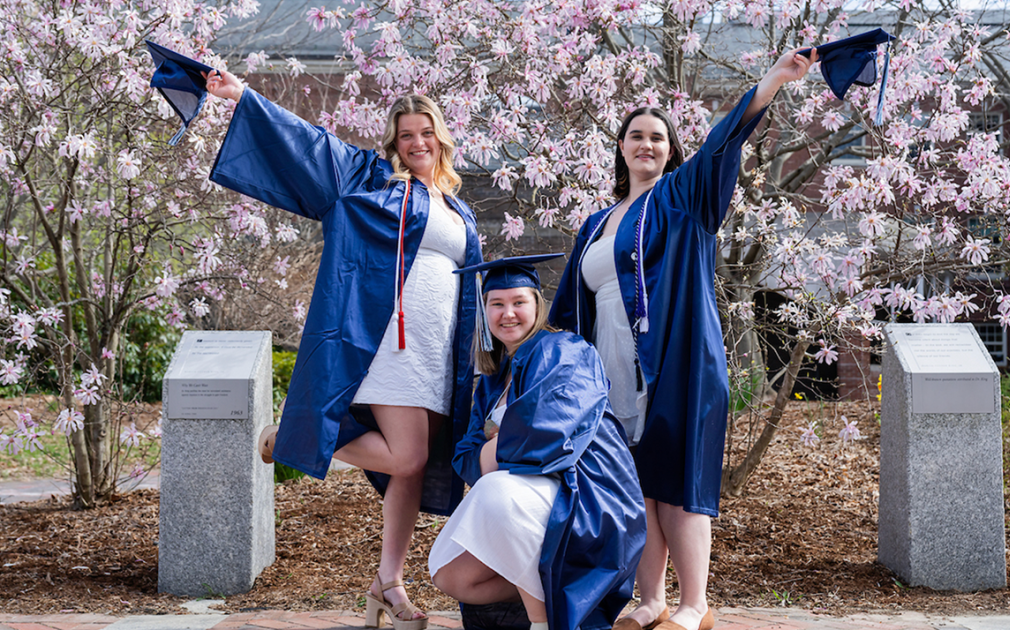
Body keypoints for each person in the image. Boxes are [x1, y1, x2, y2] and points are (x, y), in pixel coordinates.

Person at [203, 70, 483, 630]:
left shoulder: (457, 206)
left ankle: (388, 584)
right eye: (406, 135)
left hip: (437, 349)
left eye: (425, 132)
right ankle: (295, 440)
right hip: (389, 342)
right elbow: (314, 145)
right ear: (393, 144)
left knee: (411, 469)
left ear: (442, 137)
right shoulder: (376, 181)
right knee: (407, 457)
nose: (417, 143)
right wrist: (244, 96)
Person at [549, 49, 819, 630]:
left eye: (657, 137)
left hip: (677, 361)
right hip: (611, 368)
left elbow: (724, 143)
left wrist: (771, 81)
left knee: (680, 482)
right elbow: (574, 308)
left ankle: (694, 603)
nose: (645, 145)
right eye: (635, 136)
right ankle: (651, 600)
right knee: (636, 484)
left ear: (671, 151)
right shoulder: (596, 223)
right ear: (620, 148)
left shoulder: (683, 198)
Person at [429, 255, 646, 630]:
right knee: (450, 575)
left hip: (587, 498)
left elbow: (545, 433)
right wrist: (499, 442)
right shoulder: (492, 384)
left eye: (518, 302)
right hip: (532, 502)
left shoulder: (563, 350)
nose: (507, 313)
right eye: (496, 304)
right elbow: (464, 459)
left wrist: (495, 443)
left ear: (537, 305)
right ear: (484, 312)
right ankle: (559, 590)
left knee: (496, 489)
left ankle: (542, 621)